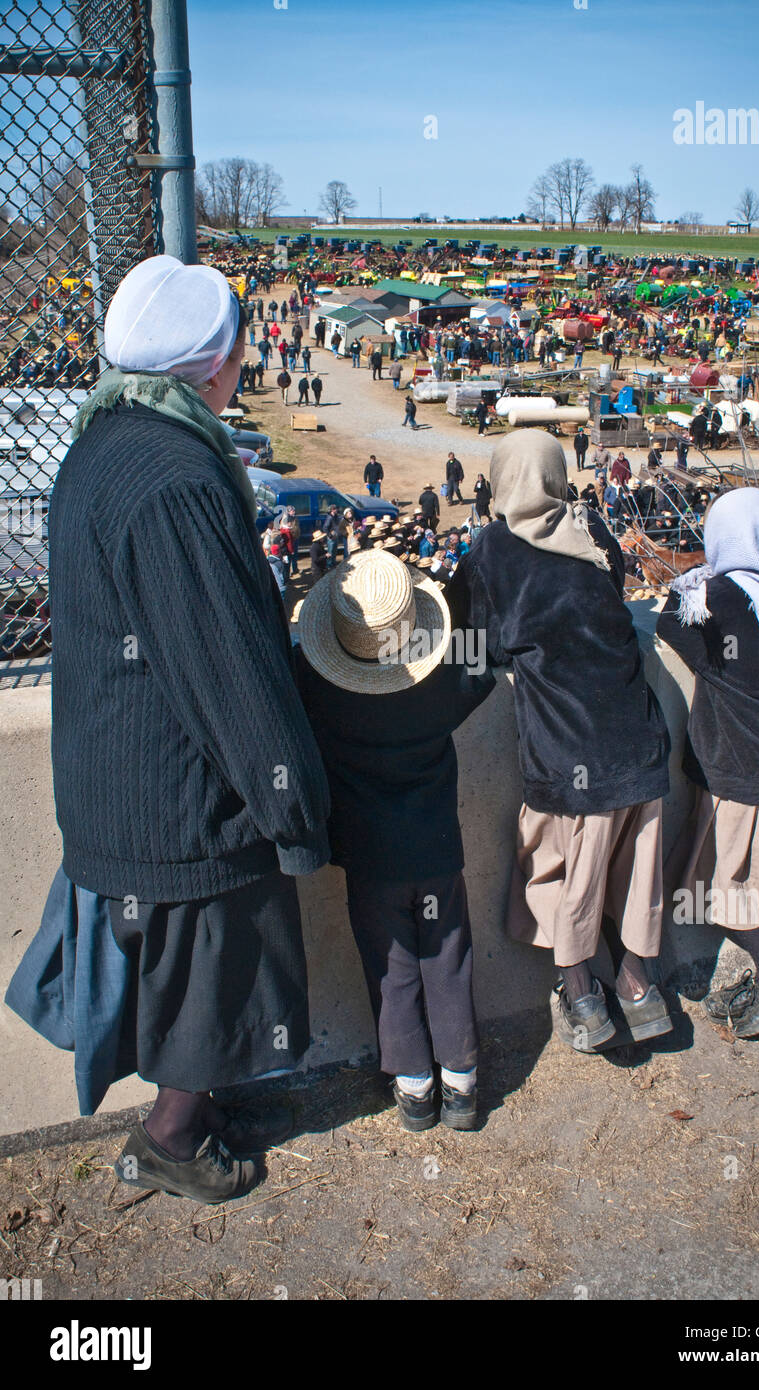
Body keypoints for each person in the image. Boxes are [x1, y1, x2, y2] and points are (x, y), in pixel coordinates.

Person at [5, 255, 331, 1204]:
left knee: (195, 970)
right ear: (214, 360)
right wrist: (290, 797)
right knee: (212, 968)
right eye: (239, 344)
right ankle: (171, 1140)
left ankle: (197, 1109)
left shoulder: (105, 437)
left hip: (120, 772)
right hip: (179, 791)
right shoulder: (175, 474)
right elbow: (223, 665)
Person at [452, 432, 673, 1053]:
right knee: (635, 872)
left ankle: (582, 997)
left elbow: (476, 644)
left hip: (572, 753)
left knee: (562, 872)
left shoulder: (492, 547)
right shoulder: (595, 533)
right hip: (641, 738)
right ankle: (638, 988)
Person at [295, 551, 495, 1130]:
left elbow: (291, 670)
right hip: (436, 849)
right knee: (448, 957)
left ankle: (414, 1087)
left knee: (393, 966)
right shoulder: (440, 685)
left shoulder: (318, 688)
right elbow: (480, 664)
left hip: (369, 857)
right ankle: (462, 1084)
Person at [657, 490, 759, 1039]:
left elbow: (668, 626)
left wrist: (698, 579)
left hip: (741, 769)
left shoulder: (720, 596)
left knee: (720, 891)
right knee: (755, 885)